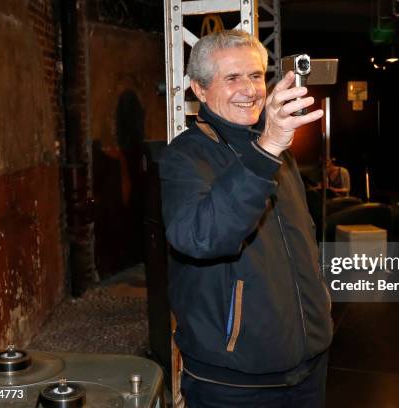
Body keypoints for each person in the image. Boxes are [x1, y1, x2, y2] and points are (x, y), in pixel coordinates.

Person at [160, 30, 332, 407]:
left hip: (308, 366)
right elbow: (200, 237)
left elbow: (301, 237)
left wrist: (320, 309)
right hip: (233, 383)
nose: (250, 89)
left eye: (255, 76)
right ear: (199, 90)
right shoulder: (185, 157)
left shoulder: (277, 151)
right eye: (232, 78)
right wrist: (267, 147)